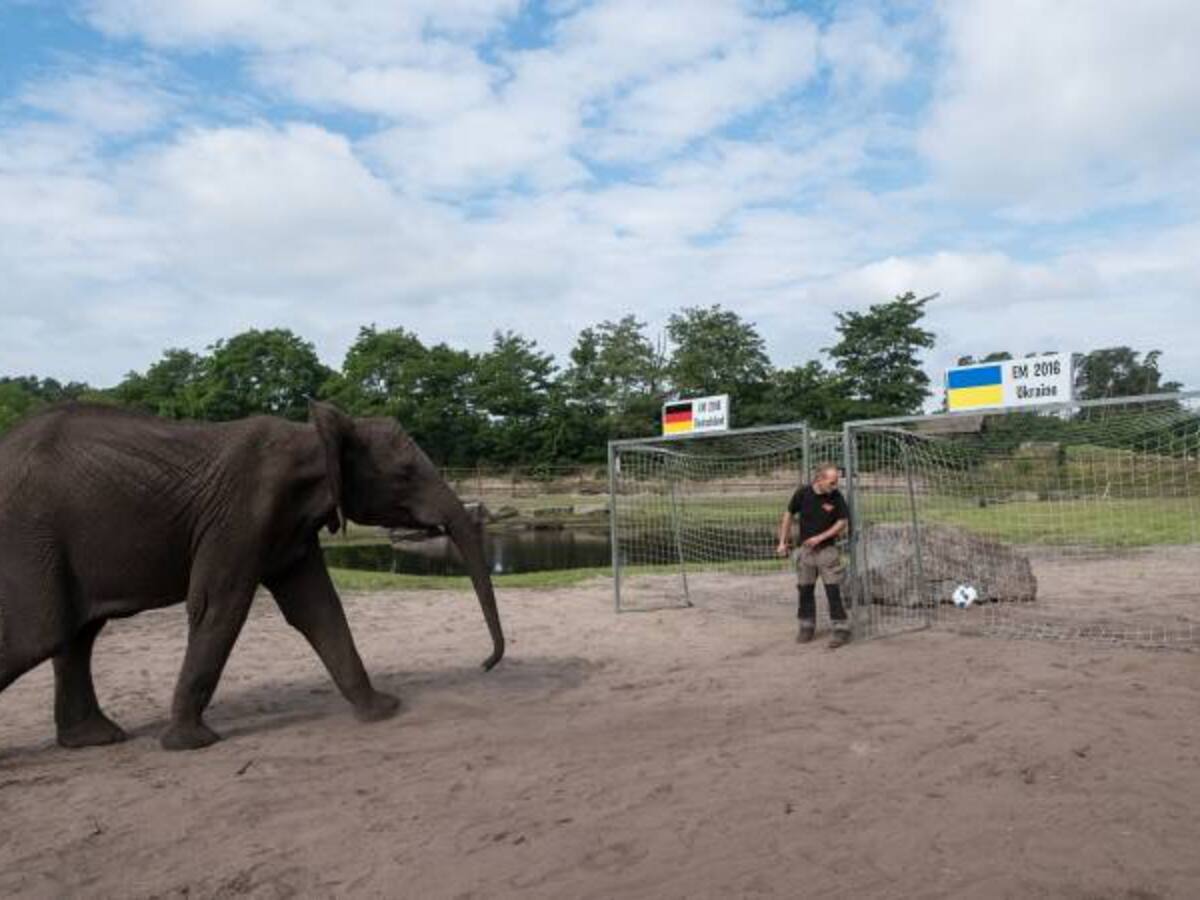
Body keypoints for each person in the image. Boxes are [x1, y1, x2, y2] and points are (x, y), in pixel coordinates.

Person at [775, 464, 851, 648]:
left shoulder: (836, 496)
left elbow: (842, 522)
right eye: (832, 482)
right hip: (806, 552)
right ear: (819, 479)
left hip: (827, 551)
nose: (835, 486)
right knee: (805, 589)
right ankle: (806, 626)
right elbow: (788, 515)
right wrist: (782, 541)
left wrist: (820, 538)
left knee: (833, 590)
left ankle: (840, 629)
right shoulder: (802, 493)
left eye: (836, 482)